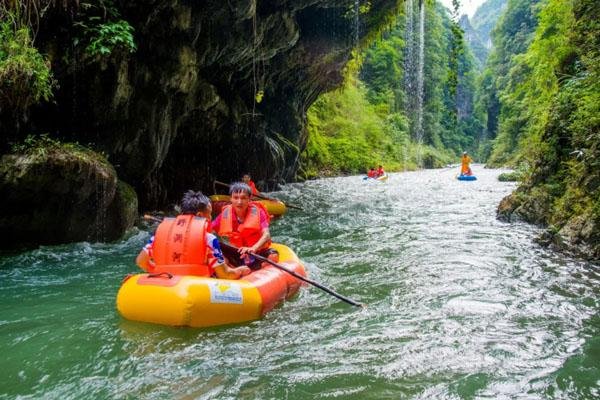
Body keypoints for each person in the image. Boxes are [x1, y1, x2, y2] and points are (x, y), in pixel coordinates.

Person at [136, 190, 251, 279]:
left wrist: (157, 271)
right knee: (227, 264)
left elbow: (140, 261)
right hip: (195, 289)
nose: (211, 218)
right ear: (200, 215)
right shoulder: (209, 239)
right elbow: (225, 274)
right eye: (210, 214)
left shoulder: (159, 235)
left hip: (166, 283)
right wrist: (240, 270)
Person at [212, 182, 278, 270]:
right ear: (231, 199)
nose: (239, 202)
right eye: (236, 198)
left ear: (249, 199)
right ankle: (231, 270)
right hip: (239, 253)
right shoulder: (225, 215)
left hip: (257, 252)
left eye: (243, 198)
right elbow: (209, 231)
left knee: (273, 256)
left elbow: (266, 235)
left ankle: (256, 271)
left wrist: (253, 248)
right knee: (217, 248)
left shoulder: (258, 213)